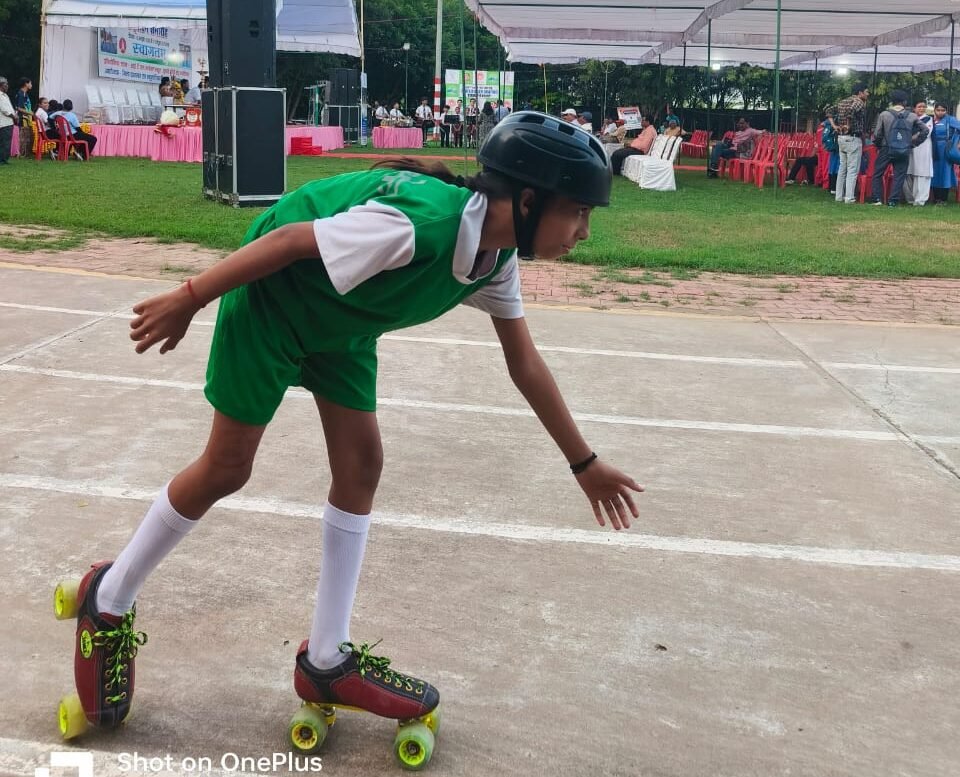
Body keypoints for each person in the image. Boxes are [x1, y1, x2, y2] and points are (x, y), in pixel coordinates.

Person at [60, 111, 640, 743]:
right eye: (578, 211)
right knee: (228, 468)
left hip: (342, 324)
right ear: (528, 201)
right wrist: (190, 297)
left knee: (362, 466)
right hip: (274, 304)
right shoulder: (420, 226)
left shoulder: (496, 258)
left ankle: (327, 661)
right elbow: (285, 244)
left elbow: (524, 363)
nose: (584, 232)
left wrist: (584, 463)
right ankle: (108, 598)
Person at [870, 90, 928, 207]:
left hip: (886, 148)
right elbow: (925, 130)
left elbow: (877, 134)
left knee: (877, 174)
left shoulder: (884, 114)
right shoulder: (912, 116)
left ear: (892, 101)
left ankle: (877, 199)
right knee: (899, 176)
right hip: (904, 149)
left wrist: (878, 145)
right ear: (905, 102)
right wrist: (913, 143)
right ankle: (893, 201)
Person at [829, 83, 869, 203]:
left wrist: (834, 126)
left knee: (842, 168)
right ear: (860, 93)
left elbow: (829, 110)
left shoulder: (842, 102)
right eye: (866, 92)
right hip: (853, 138)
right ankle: (849, 197)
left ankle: (839, 196)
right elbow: (851, 112)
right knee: (852, 169)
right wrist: (848, 125)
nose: (868, 94)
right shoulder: (859, 102)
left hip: (841, 137)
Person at [929, 102, 960, 205]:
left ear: (946, 111)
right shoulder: (931, 120)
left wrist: (956, 141)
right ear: (934, 110)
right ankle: (935, 198)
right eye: (938, 110)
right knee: (934, 172)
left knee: (945, 173)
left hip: (945, 149)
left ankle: (943, 199)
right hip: (933, 148)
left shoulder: (950, 119)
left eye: (943, 110)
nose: (940, 112)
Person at [903, 101, 933, 206]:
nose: (921, 109)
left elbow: (925, 132)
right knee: (909, 172)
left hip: (923, 147)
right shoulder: (910, 118)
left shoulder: (928, 119)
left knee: (922, 173)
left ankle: (920, 200)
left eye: (924, 107)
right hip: (910, 149)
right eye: (919, 107)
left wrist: (911, 138)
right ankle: (910, 198)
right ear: (914, 108)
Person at [14, 77, 33, 159]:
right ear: (26, 84)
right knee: (23, 136)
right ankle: (20, 153)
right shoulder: (21, 94)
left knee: (26, 136)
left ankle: (23, 153)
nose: (31, 85)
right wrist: (30, 113)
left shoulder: (24, 93)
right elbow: (19, 108)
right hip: (22, 118)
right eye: (30, 83)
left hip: (26, 117)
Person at [0, 77, 15, 165]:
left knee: (6, 141)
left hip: (8, 122)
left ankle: (4, 159)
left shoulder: (5, 95)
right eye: (6, 84)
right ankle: (2, 159)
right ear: (1, 85)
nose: (7, 86)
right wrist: (14, 116)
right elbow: (5, 110)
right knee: (4, 142)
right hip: (4, 122)